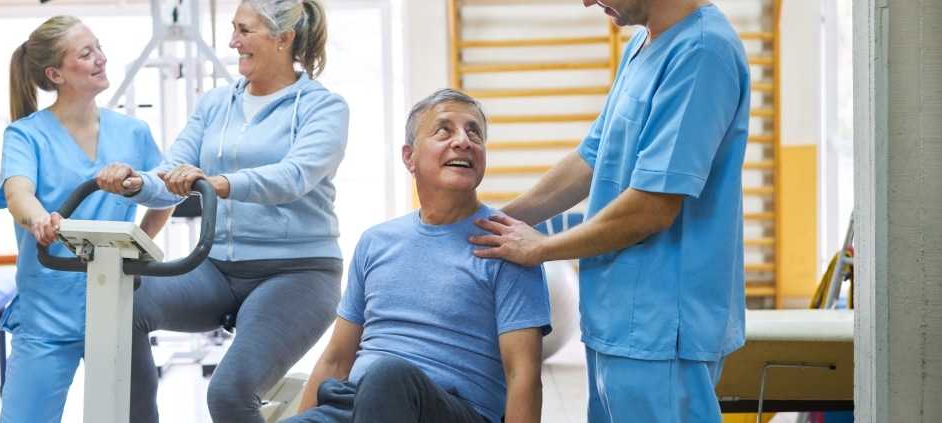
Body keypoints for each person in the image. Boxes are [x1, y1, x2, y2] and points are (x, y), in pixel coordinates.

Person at [469, 1, 750, 422]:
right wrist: (493, 223)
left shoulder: (701, 52)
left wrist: (541, 248)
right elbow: (590, 158)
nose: (586, 0)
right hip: (615, 321)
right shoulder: (640, 44)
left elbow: (651, 209)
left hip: (660, 327)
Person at [93, 1, 349, 421]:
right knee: (123, 305)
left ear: (284, 39)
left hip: (297, 273)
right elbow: (170, 172)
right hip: (215, 269)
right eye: (233, 29)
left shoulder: (323, 106)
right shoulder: (215, 104)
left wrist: (219, 184)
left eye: (244, 30)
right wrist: (137, 183)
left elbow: (294, 176)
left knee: (229, 393)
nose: (233, 42)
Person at [285, 89, 551, 423]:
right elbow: (336, 360)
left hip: (452, 412)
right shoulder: (375, 242)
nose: (464, 141)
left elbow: (522, 375)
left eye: (475, 133)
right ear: (409, 157)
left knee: (388, 376)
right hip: (354, 406)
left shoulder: (508, 245)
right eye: (444, 130)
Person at [0, 15, 174, 423]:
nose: (101, 59)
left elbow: (165, 194)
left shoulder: (133, 133)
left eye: (99, 48)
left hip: (115, 304)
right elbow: (18, 193)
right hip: (48, 308)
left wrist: (141, 246)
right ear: (55, 73)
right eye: (86, 53)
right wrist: (39, 220)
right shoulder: (25, 135)